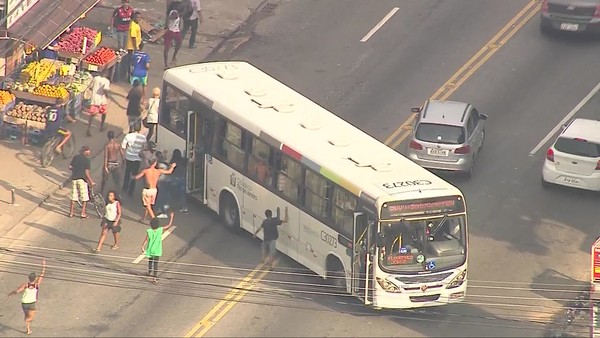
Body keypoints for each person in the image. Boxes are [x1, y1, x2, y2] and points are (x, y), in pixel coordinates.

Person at [7, 259, 46, 335]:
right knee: (31, 317)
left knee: (27, 316)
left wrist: (10, 294)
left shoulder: (25, 285)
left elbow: (17, 291)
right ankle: (27, 320)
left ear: (29, 278)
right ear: (35, 278)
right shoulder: (36, 285)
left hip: (24, 303)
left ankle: (28, 330)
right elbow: (42, 274)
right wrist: (44, 266)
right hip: (31, 303)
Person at [141, 217, 174, 284]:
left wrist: (142, 246)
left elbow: (146, 239)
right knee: (156, 264)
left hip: (150, 249)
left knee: (150, 261)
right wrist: (171, 218)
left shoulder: (149, 231)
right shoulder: (160, 230)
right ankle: (154, 278)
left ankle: (149, 272)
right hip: (157, 250)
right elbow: (168, 226)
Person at [122, 122, 147, 196]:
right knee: (135, 174)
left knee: (127, 172)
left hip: (129, 157)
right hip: (137, 158)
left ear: (133, 128)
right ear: (139, 129)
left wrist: (123, 157)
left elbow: (123, 146)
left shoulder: (128, 136)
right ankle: (131, 190)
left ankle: (125, 187)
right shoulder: (143, 138)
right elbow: (144, 148)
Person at [69, 146, 94, 218]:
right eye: (88, 151)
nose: (89, 152)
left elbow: (70, 167)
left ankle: (71, 213)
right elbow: (87, 172)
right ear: (85, 151)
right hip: (82, 180)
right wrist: (91, 181)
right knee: (84, 197)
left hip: (74, 179)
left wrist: (75, 169)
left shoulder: (75, 157)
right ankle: (83, 213)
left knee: (73, 197)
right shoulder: (87, 160)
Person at [86, 70, 111, 136]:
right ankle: (101, 126)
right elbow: (105, 89)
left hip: (94, 99)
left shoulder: (95, 78)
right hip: (102, 99)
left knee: (92, 115)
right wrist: (106, 94)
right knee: (104, 113)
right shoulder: (106, 81)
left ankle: (88, 128)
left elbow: (90, 87)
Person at [125, 11, 142, 79]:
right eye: (137, 17)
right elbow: (133, 37)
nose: (139, 18)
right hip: (131, 48)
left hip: (134, 47)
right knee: (131, 64)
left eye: (140, 17)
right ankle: (130, 77)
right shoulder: (133, 25)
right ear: (134, 17)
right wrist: (136, 48)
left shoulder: (136, 24)